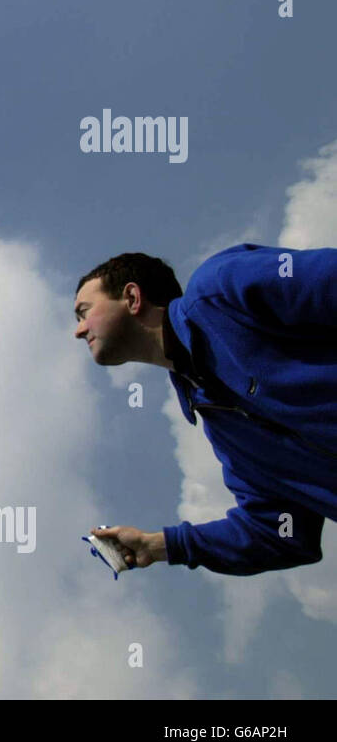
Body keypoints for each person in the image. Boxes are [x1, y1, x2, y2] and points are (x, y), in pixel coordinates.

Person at [72, 244, 337, 575]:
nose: (78, 330)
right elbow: (279, 533)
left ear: (132, 297)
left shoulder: (221, 290)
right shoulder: (225, 431)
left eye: (84, 311)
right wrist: (160, 546)